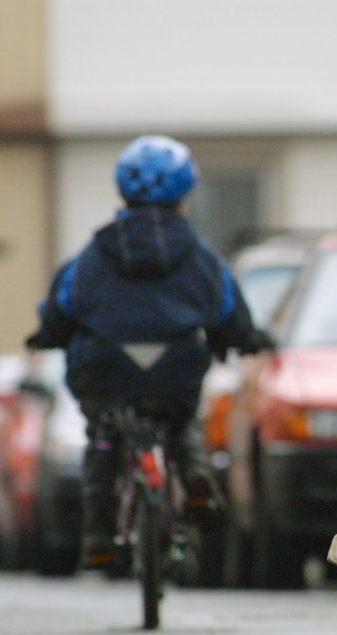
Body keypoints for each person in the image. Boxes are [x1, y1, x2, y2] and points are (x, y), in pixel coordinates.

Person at [26, 135, 274, 569]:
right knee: (177, 422)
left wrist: (46, 336)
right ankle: (191, 468)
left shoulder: (92, 254)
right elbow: (227, 309)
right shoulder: (202, 256)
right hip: (176, 366)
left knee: (103, 433)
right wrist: (245, 338)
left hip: (106, 368)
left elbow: (63, 307)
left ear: (121, 191)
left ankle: (99, 532)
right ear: (185, 193)